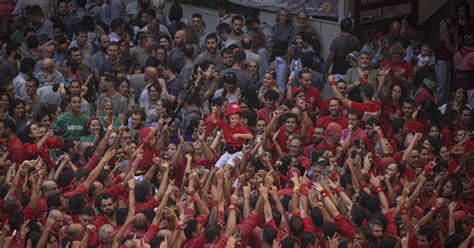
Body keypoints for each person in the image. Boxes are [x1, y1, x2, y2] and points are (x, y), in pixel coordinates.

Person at [210, 102, 253, 168]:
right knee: (216, 168)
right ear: (228, 118)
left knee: (227, 168)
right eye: (232, 118)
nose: (235, 121)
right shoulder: (225, 125)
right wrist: (213, 112)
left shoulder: (241, 127)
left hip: (238, 152)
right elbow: (213, 120)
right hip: (228, 152)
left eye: (237, 118)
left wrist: (240, 135)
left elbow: (250, 136)